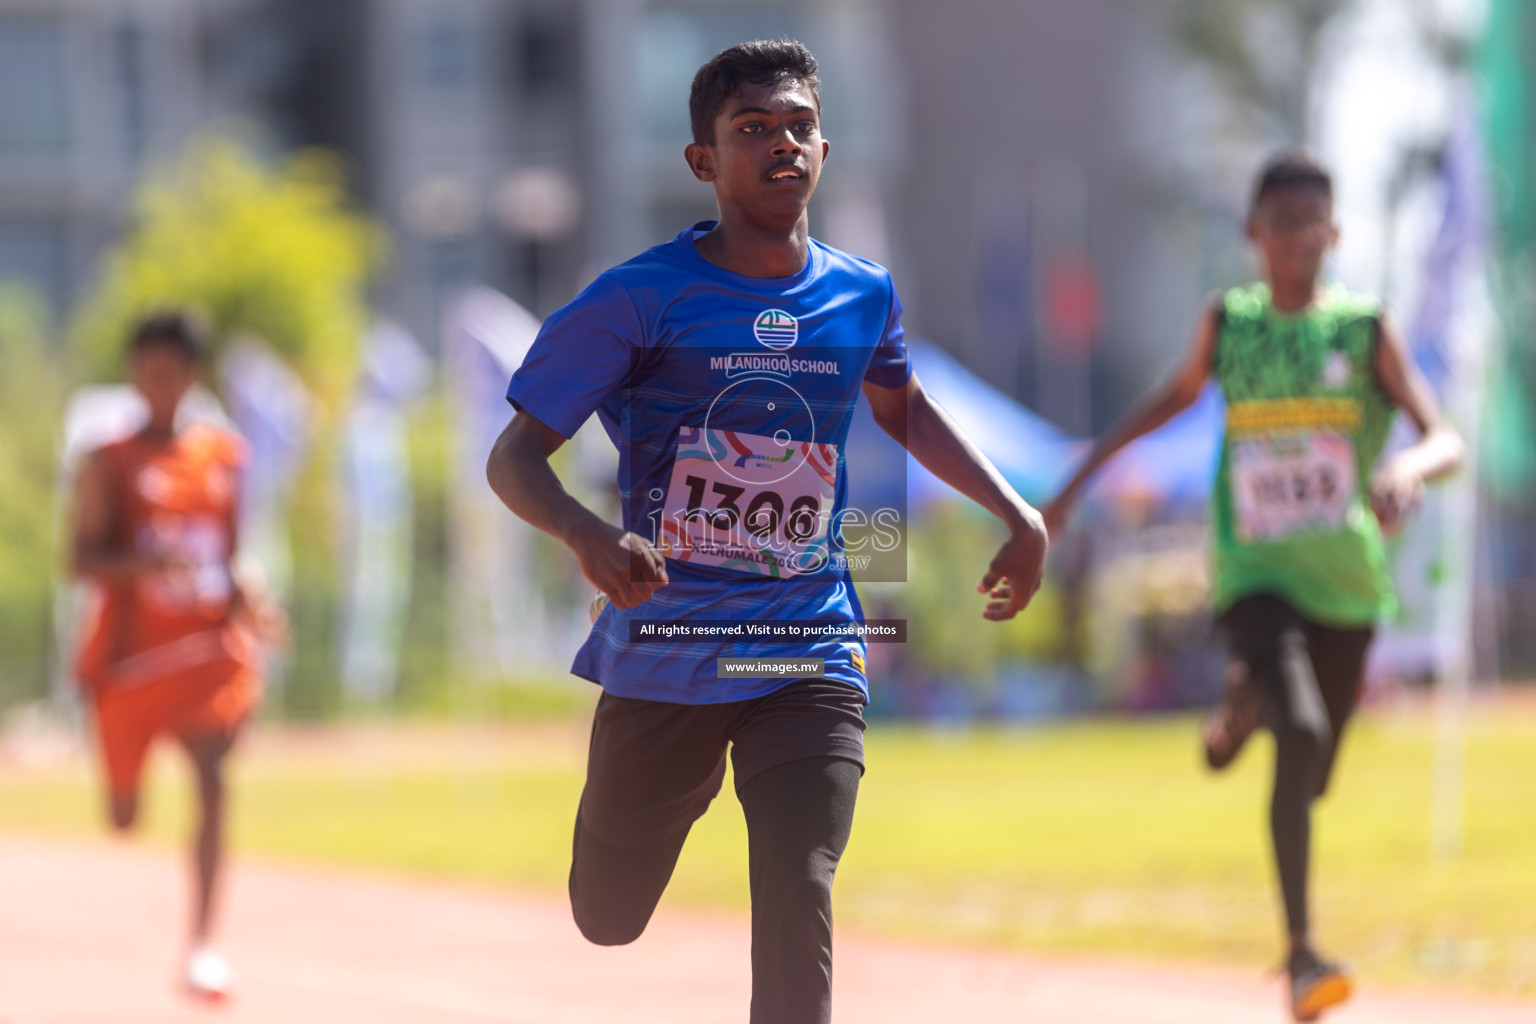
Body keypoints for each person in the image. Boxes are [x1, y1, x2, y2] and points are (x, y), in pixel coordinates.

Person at [486, 39, 1048, 1024]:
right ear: (704, 161)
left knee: (800, 885)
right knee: (606, 914)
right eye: (754, 130)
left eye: (798, 127)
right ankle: (691, 770)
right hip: (667, 648)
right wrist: (585, 535)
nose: (782, 144)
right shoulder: (638, 299)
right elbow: (514, 459)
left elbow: (905, 410)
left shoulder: (862, 293)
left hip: (808, 641)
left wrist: (1016, 509)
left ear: (825, 146)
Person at [1044, 153, 1463, 1022]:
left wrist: (1409, 470)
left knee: (1308, 775)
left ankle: (1244, 709)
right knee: (1302, 729)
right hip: (1254, 575)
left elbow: (1442, 436)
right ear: (1254, 232)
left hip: (1345, 585)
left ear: (1335, 234)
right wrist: (1077, 481)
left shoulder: (1363, 330)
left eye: (1314, 225)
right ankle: (1303, 954)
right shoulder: (1228, 326)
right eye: (1282, 224)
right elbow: (1167, 401)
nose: (1298, 241)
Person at [71, 312, 283, 1002]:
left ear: (193, 377)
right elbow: (79, 558)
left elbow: (230, 556)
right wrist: (143, 561)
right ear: (134, 375)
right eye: (147, 372)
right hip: (132, 662)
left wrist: (251, 598)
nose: (158, 385)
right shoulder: (108, 458)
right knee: (125, 818)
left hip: (205, 653)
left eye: (172, 372)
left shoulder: (225, 456)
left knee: (216, 781)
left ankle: (202, 946)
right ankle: (123, 780)